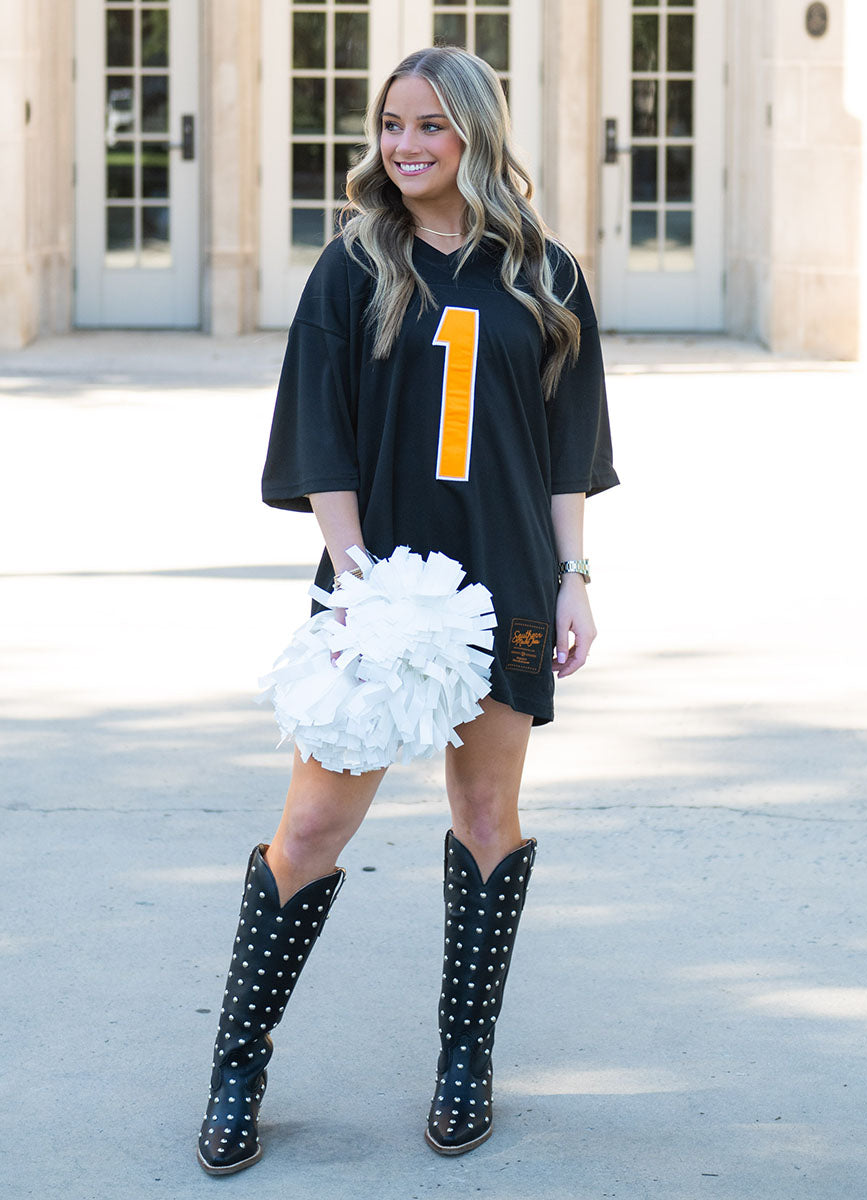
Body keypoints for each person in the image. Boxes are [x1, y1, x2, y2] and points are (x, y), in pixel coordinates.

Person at [196, 45, 618, 1176]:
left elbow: (568, 453)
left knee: (488, 822)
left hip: (507, 584)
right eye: (392, 125)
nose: (408, 146)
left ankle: (464, 1062)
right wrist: (355, 578)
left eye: (432, 125)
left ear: (476, 133)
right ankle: (237, 1065)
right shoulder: (351, 269)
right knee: (310, 831)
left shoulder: (547, 275)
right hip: (383, 591)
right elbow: (319, 440)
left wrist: (575, 578)